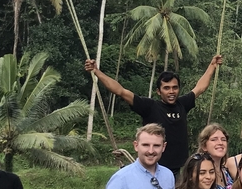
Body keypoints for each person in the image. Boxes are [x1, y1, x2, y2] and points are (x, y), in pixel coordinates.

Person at [84, 55, 223, 174]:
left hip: (179, 169)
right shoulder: (149, 107)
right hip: (155, 168)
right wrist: (97, 72)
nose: (171, 91)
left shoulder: (182, 104)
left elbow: (200, 88)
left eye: (175, 88)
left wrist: (212, 66)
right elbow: (120, 91)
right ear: (158, 91)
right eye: (166, 88)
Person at [197, 123, 234, 189]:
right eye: (214, 139)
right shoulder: (198, 172)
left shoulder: (226, 172)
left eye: (223, 139)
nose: (220, 143)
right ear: (204, 146)